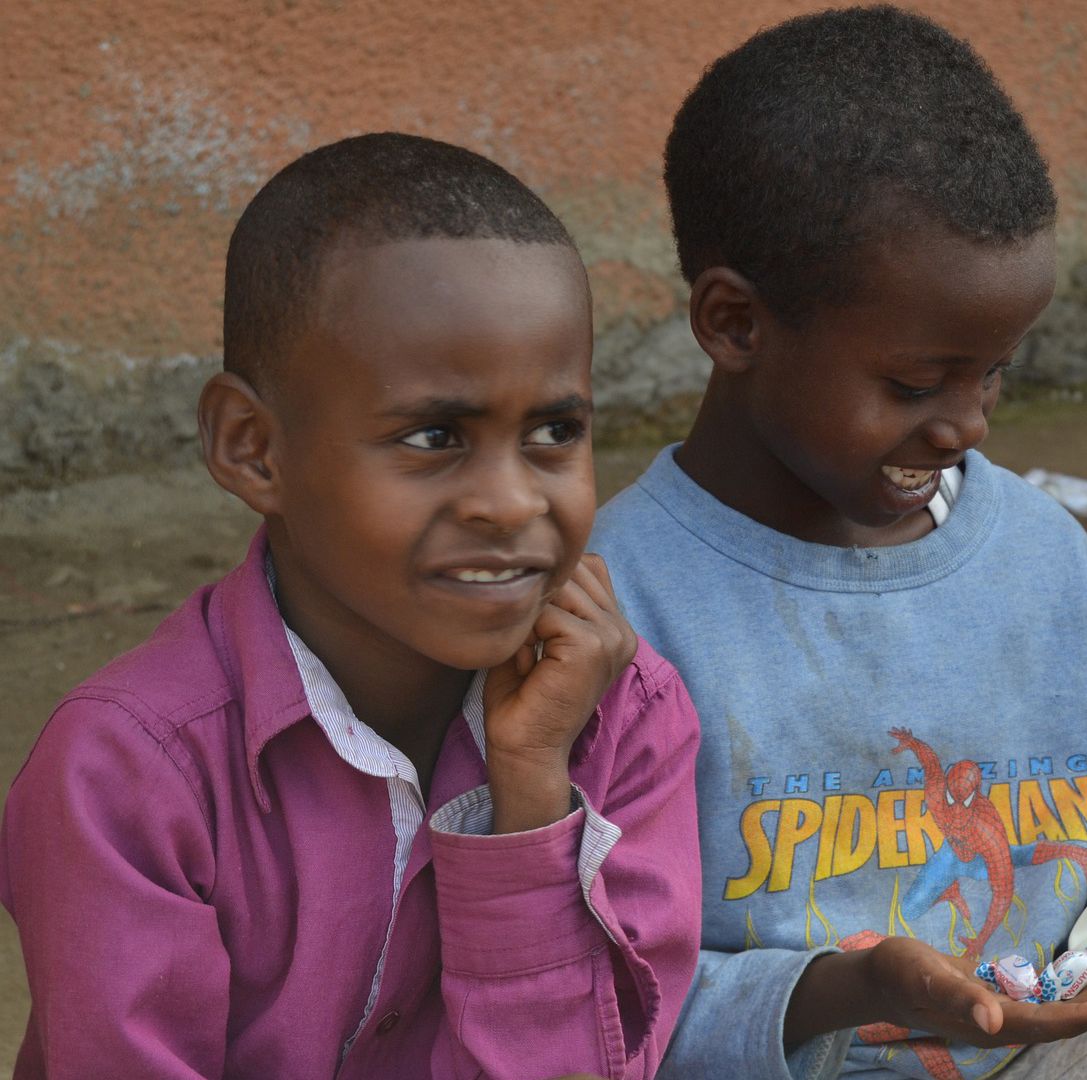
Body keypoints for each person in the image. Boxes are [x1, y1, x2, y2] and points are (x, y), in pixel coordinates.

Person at [590, 7, 1087, 1079]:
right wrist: (850, 989)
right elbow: (587, 1006)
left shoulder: (1042, 560)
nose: (968, 424)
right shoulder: (619, 609)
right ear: (735, 324)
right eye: (916, 383)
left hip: (1054, 1057)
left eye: (996, 372)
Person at [0, 133, 704, 1079]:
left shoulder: (624, 716)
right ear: (253, 448)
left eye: (554, 430)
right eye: (433, 435)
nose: (511, 501)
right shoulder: (129, 776)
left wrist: (531, 798)